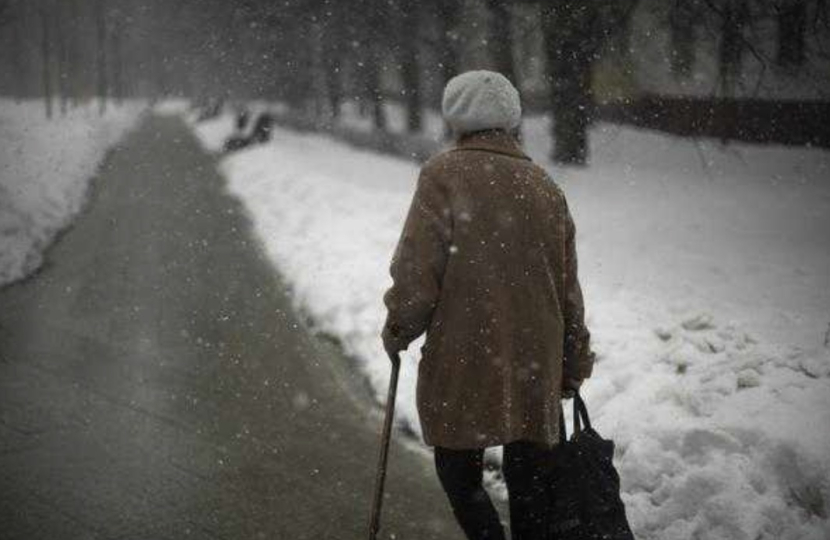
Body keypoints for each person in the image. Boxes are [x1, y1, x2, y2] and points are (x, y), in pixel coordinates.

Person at [381, 70, 595, 540]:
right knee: (531, 486)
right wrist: (573, 360)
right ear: (512, 120)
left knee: (458, 471)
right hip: (534, 359)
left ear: (456, 119)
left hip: (465, 354)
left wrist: (400, 327)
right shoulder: (544, 185)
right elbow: (568, 290)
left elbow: (418, 269)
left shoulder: (443, 175)